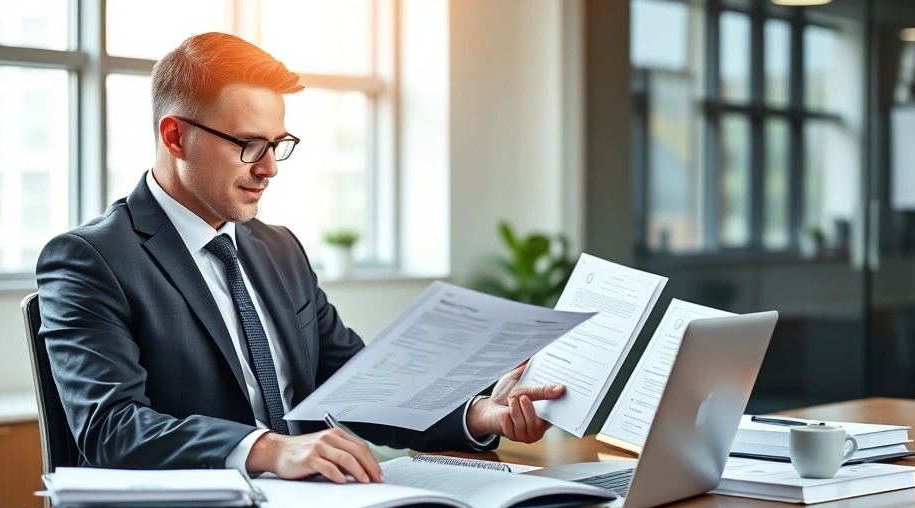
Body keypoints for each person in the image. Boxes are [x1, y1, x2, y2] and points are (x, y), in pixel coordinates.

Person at [36, 32, 565, 484]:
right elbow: (111, 429)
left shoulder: (279, 248)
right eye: (248, 144)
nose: (269, 168)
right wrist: (269, 450)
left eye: (278, 143)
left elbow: (359, 387)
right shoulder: (90, 258)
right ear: (175, 136)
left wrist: (479, 415)